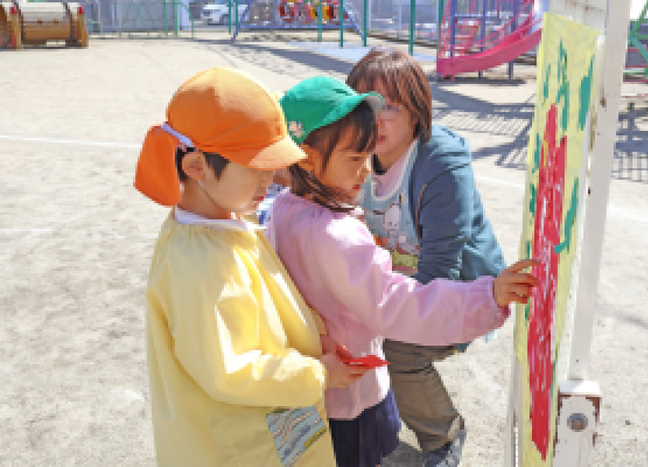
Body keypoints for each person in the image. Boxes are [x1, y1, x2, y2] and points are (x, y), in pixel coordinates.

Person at [270, 76, 537, 467]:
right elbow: (397, 304)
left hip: (315, 385)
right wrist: (486, 296)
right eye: (354, 159)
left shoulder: (284, 208)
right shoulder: (337, 235)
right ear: (307, 159)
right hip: (353, 397)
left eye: (367, 156)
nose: (366, 171)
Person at [133, 68, 368, 467]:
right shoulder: (199, 264)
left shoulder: (227, 216)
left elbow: (266, 304)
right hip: (237, 447)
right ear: (196, 167)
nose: (270, 178)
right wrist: (317, 374)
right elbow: (231, 370)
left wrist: (313, 340)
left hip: (265, 428)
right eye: (256, 166)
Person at [346, 48, 508, 466]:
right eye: (365, 105)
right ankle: (363, 423)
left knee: (395, 347)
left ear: (416, 111)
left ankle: (443, 435)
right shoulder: (351, 150)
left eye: (390, 107)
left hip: (458, 291)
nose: (375, 119)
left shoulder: (440, 162)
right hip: (391, 284)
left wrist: (377, 313)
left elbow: (441, 271)